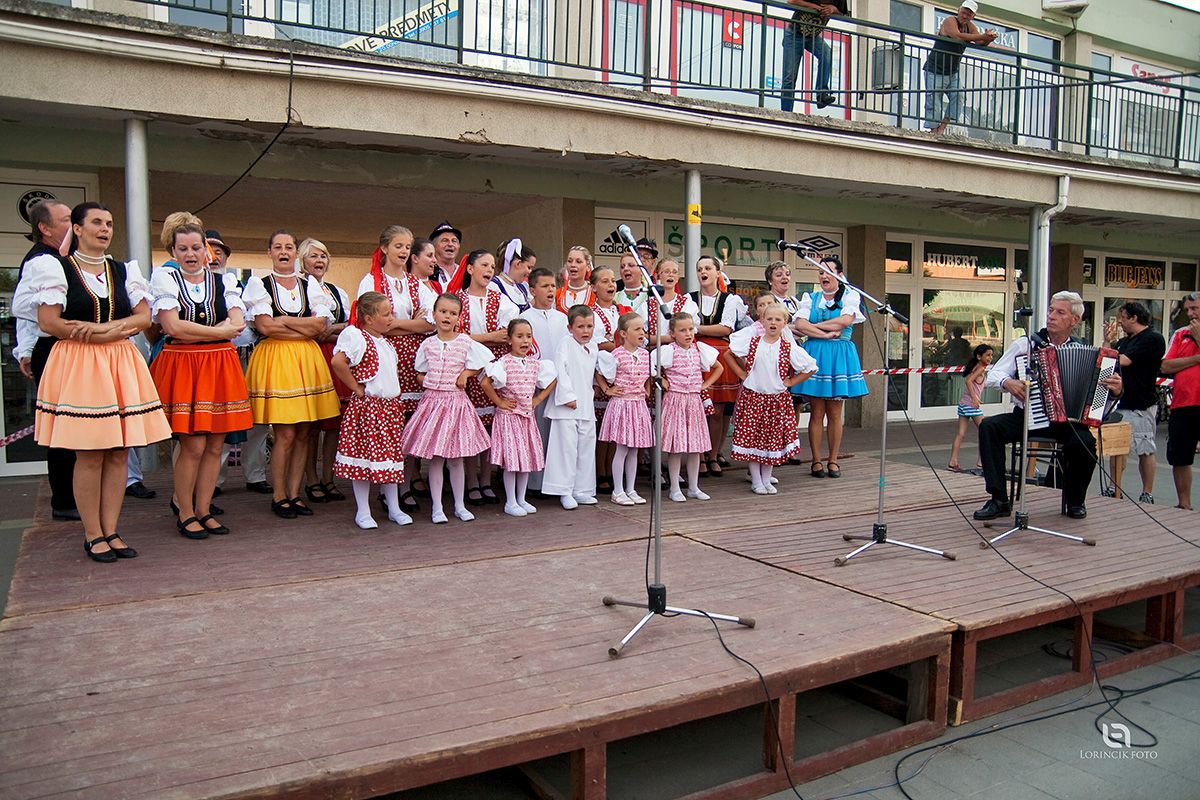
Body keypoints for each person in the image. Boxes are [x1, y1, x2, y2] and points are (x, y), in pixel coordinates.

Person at [17, 202, 172, 562]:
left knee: (118, 451)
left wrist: (106, 330)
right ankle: (93, 534)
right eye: (97, 222)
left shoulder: (122, 270)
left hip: (118, 359)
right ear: (78, 228)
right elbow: (48, 322)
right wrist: (101, 333)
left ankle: (112, 529)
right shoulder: (56, 267)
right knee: (89, 452)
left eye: (110, 223)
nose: (105, 229)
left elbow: (144, 317)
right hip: (79, 362)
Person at [972, 291, 1124, 521]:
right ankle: (999, 500)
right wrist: (1008, 382)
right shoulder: (1027, 344)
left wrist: (1116, 390)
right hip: (1028, 416)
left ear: (1074, 320)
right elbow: (993, 374)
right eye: (1051, 310)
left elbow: (1102, 398)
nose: (1051, 316)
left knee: (1085, 442)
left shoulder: (1087, 351)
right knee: (989, 427)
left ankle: (1075, 501)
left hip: (1067, 422)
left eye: (1060, 312)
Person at [149, 221, 252, 539]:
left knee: (215, 444)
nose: (191, 254)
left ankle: (204, 509)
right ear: (173, 251)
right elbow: (172, 327)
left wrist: (200, 333)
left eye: (196, 248)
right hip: (185, 365)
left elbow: (237, 323)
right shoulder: (166, 279)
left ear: (205, 250)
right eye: (183, 249)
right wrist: (218, 331)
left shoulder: (225, 281)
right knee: (192, 445)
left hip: (219, 364)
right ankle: (185, 511)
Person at [243, 230, 341, 519]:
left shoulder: (309, 285)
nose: (283, 251)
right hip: (278, 359)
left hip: (306, 359)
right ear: (269, 253)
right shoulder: (259, 285)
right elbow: (265, 327)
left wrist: (283, 320)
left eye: (288, 247)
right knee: (285, 432)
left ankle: (295, 493)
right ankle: (279, 495)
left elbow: (320, 326)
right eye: (278, 247)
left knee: (304, 431)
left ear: (295, 252)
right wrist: (303, 327)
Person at [356, 226, 437, 513]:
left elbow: (431, 322)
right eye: (398, 246)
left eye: (407, 246)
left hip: (413, 359)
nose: (403, 251)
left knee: (410, 424)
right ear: (385, 248)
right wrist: (411, 324)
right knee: (389, 425)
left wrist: (395, 324)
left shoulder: (417, 284)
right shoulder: (371, 281)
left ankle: (404, 484)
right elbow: (371, 322)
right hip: (385, 359)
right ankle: (386, 486)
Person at [11, 198, 77, 521]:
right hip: (52, 348)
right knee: (63, 426)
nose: (73, 225)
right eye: (66, 220)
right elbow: (24, 308)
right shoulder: (41, 259)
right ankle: (64, 500)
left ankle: (78, 494)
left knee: (77, 424)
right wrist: (26, 349)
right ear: (45, 228)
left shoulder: (65, 257)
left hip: (67, 348)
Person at [401, 293, 493, 524]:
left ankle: (460, 505)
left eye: (453, 313)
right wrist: (427, 380)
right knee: (436, 458)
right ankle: (437, 507)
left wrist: (466, 374)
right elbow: (420, 373)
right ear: (434, 314)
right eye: (443, 311)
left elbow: (484, 361)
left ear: (459, 317)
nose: (447, 316)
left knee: (456, 458)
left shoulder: (464, 342)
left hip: (456, 404)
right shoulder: (428, 344)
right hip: (432, 404)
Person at [329, 291, 413, 530]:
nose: (391, 318)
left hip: (389, 409)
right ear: (368, 318)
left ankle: (394, 507)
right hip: (370, 409)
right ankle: (363, 511)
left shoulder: (384, 342)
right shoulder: (357, 337)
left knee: (390, 459)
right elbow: (337, 362)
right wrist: (356, 387)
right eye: (385, 314)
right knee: (364, 459)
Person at [725, 303, 818, 494]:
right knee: (752, 439)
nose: (773, 323)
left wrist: (792, 381)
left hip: (776, 400)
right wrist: (742, 374)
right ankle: (756, 480)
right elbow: (729, 354)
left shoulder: (787, 347)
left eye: (777, 319)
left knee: (771, 440)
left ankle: (767, 479)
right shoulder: (753, 342)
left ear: (784, 323)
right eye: (769, 319)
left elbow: (810, 367)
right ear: (762, 321)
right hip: (754, 398)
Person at [793, 255, 867, 478]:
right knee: (816, 412)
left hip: (838, 355)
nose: (823, 276)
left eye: (828, 272)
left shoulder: (850, 296)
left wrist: (814, 326)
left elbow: (845, 321)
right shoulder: (810, 297)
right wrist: (825, 332)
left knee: (835, 412)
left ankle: (833, 460)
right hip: (816, 354)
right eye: (820, 272)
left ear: (839, 275)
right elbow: (799, 324)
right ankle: (816, 460)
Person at [454, 248, 519, 505]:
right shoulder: (458, 300)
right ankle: (471, 480)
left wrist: (474, 338)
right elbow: (456, 335)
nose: (490, 270)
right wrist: (489, 337)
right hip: (468, 370)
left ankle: (485, 479)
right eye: (484, 265)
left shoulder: (501, 300)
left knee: (491, 426)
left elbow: (506, 334)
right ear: (470, 269)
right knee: (472, 426)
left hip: (493, 370)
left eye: (492, 266)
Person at [481, 318, 557, 517]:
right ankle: (511, 501)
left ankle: (521, 498)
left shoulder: (534, 364)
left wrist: (538, 398)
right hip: (509, 419)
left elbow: (552, 380)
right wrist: (500, 402)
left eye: (528, 336)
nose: (525, 341)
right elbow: (486, 383)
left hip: (526, 419)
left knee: (526, 461)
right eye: (519, 336)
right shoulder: (503, 363)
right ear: (509, 339)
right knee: (512, 462)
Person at [300, 238, 351, 505]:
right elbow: (309, 330)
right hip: (310, 356)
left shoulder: (336, 292)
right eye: (313, 256)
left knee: (334, 425)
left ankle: (328, 478)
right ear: (302, 261)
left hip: (334, 356)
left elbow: (350, 326)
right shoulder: (298, 289)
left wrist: (330, 329)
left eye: (323, 256)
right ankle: (311, 479)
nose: (319, 260)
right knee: (311, 426)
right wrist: (327, 330)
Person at [653, 313, 722, 501]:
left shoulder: (700, 349)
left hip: (693, 401)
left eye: (690, 329)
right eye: (682, 330)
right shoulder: (669, 351)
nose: (688, 333)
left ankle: (694, 487)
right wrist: (661, 379)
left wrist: (705, 385)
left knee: (695, 447)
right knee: (676, 447)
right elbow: (652, 365)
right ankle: (675, 488)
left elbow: (719, 367)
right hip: (675, 400)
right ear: (672, 333)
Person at [1102, 302, 1166, 503]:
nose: (1120, 322)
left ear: (1134, 318)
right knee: (1117, 448)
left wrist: (1106, 355)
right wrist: (1107, 341)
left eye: (1123, 317)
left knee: (1145, 448)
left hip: (1141, 403)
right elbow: (1107, 361)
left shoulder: (1152, 338)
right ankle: (1114, 487)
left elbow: (1124, 360)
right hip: (1120, 402)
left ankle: (1147, 492)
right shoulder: (1124, 341)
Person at [690, 255, 744, 476]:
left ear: (717, 273)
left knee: (718, 410)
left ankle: (712, 455)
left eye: (708, 268)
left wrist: (696, 329)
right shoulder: (689, 298)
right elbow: (684, 326)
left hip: (720, 355)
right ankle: (700, 455)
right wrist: (697, 330)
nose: (703, 272)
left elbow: (726, 328)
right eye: (700, 269)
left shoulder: (729, 299)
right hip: (696, 354)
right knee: (699, 409)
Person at [544, 305, 601, 509]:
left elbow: (593, 372)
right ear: (570, 328)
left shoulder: (593, 347)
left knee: (586, 448)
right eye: (580, 327)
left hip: (586, 404)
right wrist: (567, 396)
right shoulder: (565, 344)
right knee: (566, 449)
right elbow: (561, 369)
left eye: (589, 326)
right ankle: (564, 490)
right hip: (567, 407)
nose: (586, 331)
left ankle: (582, 489)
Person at [518, 267, 569, 492]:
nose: (550, 290)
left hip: (559, 384)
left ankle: (555, 482)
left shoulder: (562, 319)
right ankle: (534, 483)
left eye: (553, 286)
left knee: (557, 434)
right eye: (545, 286)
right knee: (536, 432)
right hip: (534, 386)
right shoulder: (524, 318)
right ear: (532, 290)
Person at [597, 313, 653, 506]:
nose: (642, 332)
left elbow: (648, 376)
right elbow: (600, 373)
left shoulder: (645, 355)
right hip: (622, 405)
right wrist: (607, 389)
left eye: (642, 329)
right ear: (623, 333)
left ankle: (631, 488)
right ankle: (618, 490)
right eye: (636, 329)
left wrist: (646, 389)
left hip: (638, 405)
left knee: (634, 450)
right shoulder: (617, 354)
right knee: (621, 449)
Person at [923, 0, 999, 135]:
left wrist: (988, 38)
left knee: (959, 96)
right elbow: (957, 36)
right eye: (963, 12)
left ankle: (942, 128)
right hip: (935, 69)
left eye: (968, 14)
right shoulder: (950, 20)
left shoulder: (971, 27)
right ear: (959, 10)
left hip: (952, 71)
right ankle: (933, 130)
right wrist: (982, 36)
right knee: (934, 100)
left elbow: (980, 42)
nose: (965, 16)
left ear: (973, 16)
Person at [588, 265, 628, 493]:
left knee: (617, 428)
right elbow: (595, 342)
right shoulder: (591, 313)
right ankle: (599, 470)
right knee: (602, 426)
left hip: (622, 374)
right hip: (601, 374)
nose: (611, 284)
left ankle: (612, 469)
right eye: (604, 281)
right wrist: (620, 345)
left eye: (612, 280)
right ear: (593, 287)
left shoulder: (622, 310)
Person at [1160, 292, 1200, 511]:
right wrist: (1196, 359)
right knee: (1180, 456)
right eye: (1187, 310)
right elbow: (1166, 366)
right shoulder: (1180, 334)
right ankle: (1184, 504)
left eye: (1195, 309)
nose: (1190, 314)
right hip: (1183, 404)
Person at [780, 0, 845, 112]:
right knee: (789, 77)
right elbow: (792, 1)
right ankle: (786, 112)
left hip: (813, 36)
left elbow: (842, 13)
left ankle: (822, 95)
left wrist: (832, 9)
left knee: (826, 53)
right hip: (794, 34)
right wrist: (815, 7)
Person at [948, 344, 992, 471]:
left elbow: (970, 381)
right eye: (987, 355)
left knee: (961, 434)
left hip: (963, 404)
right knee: (986, 432)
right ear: (979, 356)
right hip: (971, 406)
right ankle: (981, 462)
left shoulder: (974, 366)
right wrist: (974, 398)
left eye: (991, 355)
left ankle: (953, 461)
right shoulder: (980, 369)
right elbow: (968, 381)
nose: (990, 358)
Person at [645, 259, 699, 347]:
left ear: (678, 278)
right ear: (657, 276)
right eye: (666, 271)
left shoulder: (688, 304)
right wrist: (668, 338)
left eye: (674, 272)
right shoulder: (647, 305)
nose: (671, 275)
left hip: (680, 352)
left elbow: (691, 333)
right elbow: (641, 336)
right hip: (653, 351)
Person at [491, 237, 536, 312]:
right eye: (529, 267)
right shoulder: (494, 286)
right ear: (518, 264)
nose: (530, 272)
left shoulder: (523, 288)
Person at [555, 246, 594, 313]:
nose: (573, 265)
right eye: (569, 261)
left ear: (588, 267)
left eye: (578, 261)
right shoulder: (557, 294)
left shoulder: (594, 294)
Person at [429, 220, 461, 290]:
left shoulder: (465, 272)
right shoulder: (428, 272)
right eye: (445, 240)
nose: (450, 244)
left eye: (454, 241)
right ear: (434, 246)